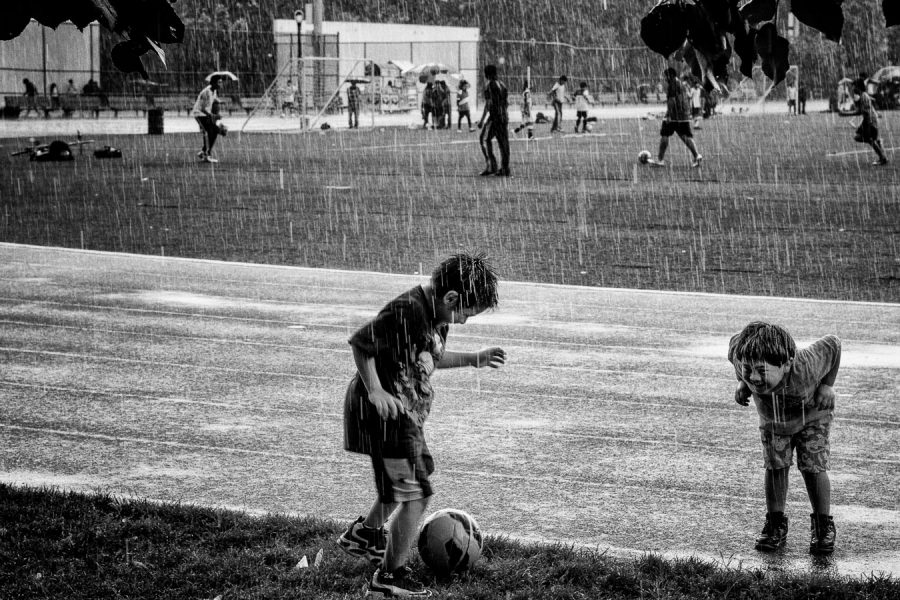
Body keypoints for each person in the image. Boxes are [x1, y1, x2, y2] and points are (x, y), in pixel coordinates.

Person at [337, 252, 506, 598]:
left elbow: (432, 357)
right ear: (451, 298)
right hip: (385, 416)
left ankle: (365, 536)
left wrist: (473, 359)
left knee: (402, 484)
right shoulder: (409, 310)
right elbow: (361, 343)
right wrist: (376, 390)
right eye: (466, 314)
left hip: (404, 418)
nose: (464, 322)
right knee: (416, 495)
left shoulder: (436, 316)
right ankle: (388, 580)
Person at [728, 322, 841, 555]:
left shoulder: (806, 365)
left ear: (787, 363)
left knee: (813, 467)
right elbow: (734, 348)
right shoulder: (741, 355)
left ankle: (823, 527)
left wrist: (827, 386)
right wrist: (741, 380)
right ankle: (775, 525)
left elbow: (834, 344)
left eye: (761, 370)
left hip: (812, 418)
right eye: (748, 370)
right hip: (774, 423)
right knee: (775, 467)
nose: (755, 377)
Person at [647, 68, 702, 168]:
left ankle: (660, 160)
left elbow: (672, 100)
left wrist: (668, 115)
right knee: (685, 136)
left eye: (665, 76)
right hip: (684, 115)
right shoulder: (680, 83)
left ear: (671, 76)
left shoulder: (673, 85)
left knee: (665, 134)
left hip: (674, 116)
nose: (665, 78)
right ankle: (696, 155)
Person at [477, 63, 511, 177]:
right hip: (504, 117)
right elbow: (506, 102)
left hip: (495, 117)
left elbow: (489, 104)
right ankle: (505, 168)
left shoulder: (490, 85)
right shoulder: (502, 84)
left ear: (487, 74)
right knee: (503, 143)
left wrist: (482, 120)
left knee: (484, 139)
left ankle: (492, 166)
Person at [851, 78, 888, 166]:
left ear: (858, 87)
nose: (853, 89)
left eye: (854, 87)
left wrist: (847, 113)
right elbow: (862, 110)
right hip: (869, 120)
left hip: (870, 121)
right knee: (861, 138)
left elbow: (864, 112)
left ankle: (882, 158)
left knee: (867, 139)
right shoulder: (863, 96)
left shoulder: (864, 96)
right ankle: (881, 152)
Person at [191, 75, 223, 163]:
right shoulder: (206, 92)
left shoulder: (213, 91)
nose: (221, 84)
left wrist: (218, 103)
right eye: (219, 82)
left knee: (215, 131)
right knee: (209, 132)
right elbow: (202, 108)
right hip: (199, 114)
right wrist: (213, 115)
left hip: (206, 114)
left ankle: (204, 152)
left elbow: (214, 100)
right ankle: (206, 154)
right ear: (213, 83)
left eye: (221, 82)